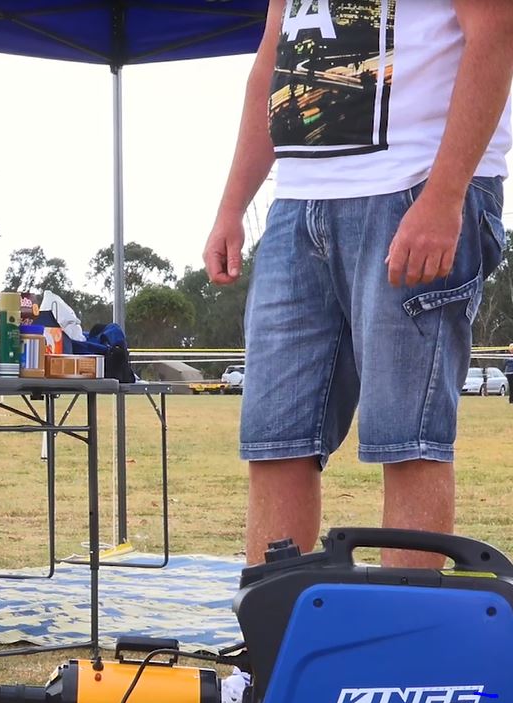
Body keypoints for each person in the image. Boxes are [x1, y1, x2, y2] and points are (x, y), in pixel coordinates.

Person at [205, 1, 512, 567]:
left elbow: (495, 35)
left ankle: (403, 646)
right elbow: (271, 64)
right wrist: (232, 207)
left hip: (413, 184)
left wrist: (443, 198)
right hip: (298, 201)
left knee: (407, 440)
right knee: (276, 442)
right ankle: (278, 648)